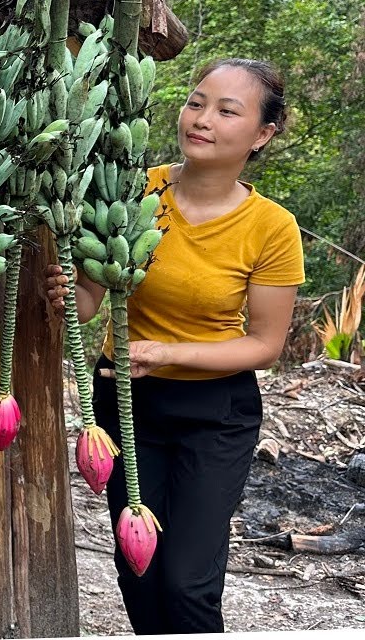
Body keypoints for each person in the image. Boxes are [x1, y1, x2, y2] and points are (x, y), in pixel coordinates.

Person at [45, 58, 305, 634]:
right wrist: (65, 293)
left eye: (227, 111)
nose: (202, 119)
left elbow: (264, 346)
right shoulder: (132, 190)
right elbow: (89, 300)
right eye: (196, 103)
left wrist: (167, 353)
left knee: (187, 581)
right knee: (138, 569)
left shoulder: (271, 227)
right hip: (126, 401)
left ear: (262, 135)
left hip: (216, 412)